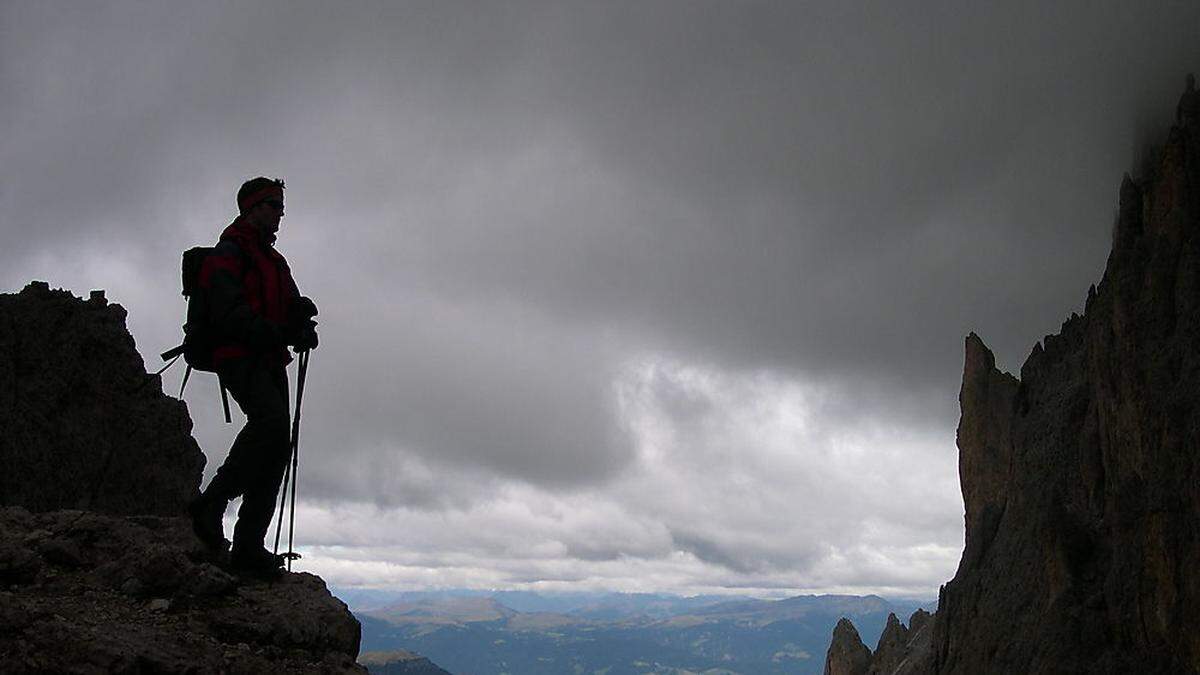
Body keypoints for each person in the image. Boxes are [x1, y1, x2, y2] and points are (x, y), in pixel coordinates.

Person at [188, 176, 319, 577]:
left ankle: (248, 547)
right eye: (272, 205)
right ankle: (213, 504)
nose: (280, 214)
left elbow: (287, 305)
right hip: (239, 355)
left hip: (267, 356)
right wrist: (278, 331)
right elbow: (228, 313)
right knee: (271, 426)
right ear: (251, 207)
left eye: (280, 207)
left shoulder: (273, 261)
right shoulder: (230, 252)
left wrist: (300, 323)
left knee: (278, 442)